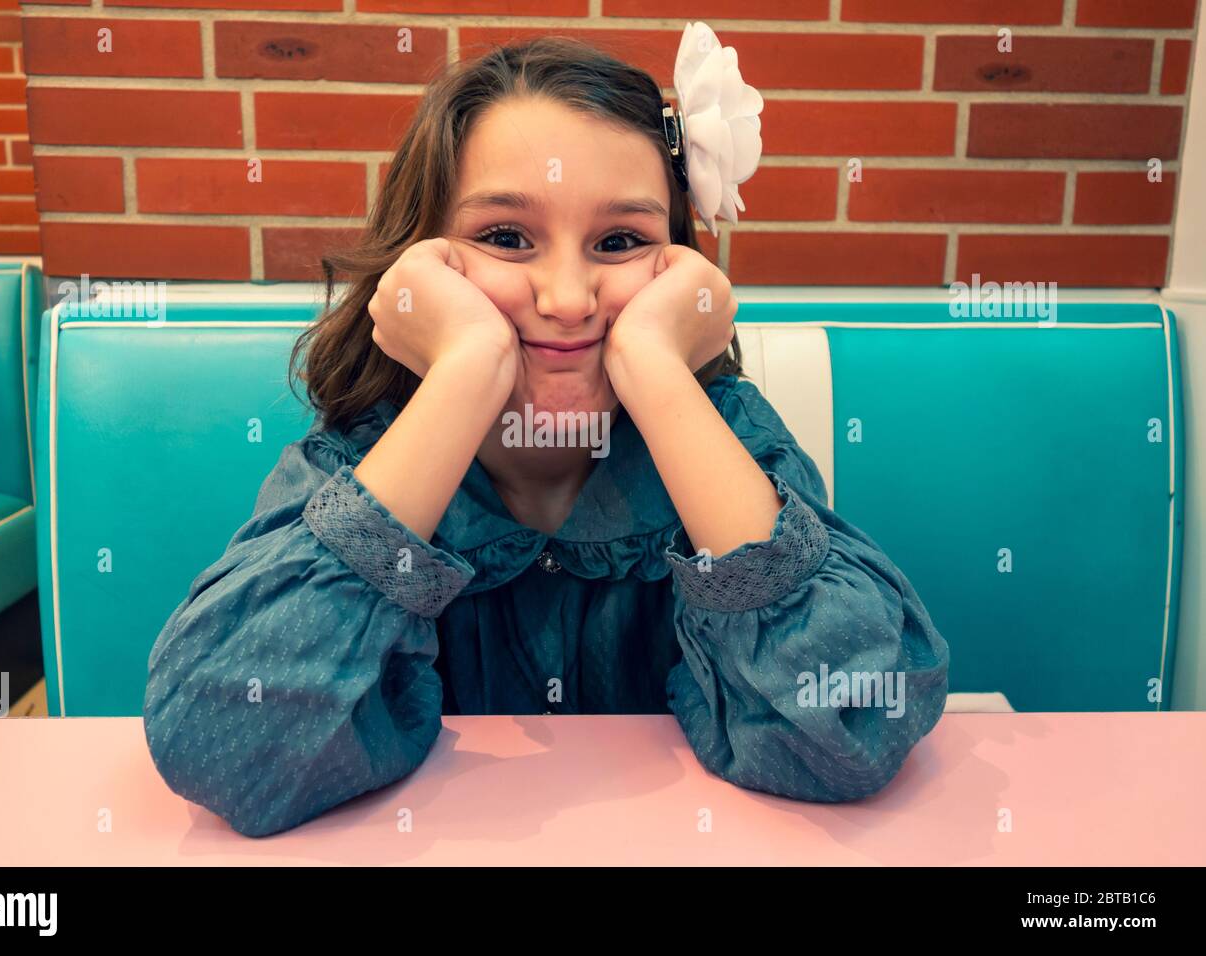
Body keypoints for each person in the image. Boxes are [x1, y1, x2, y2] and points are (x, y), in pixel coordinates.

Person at [143, 24, 950, 838]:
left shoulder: (729, 440)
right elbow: (224, 746)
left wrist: (660, 375)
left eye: (620, 241)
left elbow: (854, 726)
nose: (568, 297)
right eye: (505, 238)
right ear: (422, 259)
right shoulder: (365, 455)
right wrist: (465, 374)